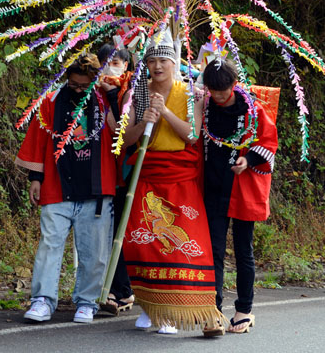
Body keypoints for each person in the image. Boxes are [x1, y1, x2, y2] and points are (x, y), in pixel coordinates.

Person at [119, 31, 226, 335]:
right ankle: (150, 306)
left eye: (164, 59)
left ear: (174, 62)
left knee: (181, 244)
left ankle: (176, 310)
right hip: (148, 172)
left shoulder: (191, 92)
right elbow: (125, 140)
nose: (158, 66)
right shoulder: (136, 92)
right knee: (144, 243)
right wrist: (145, 121)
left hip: (180, 176)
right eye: (152, 60)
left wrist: (164, 112)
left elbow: (192, 134)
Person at [14, 53, 117, 323]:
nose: (80, 90)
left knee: (94, 249)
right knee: (50, 244)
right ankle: (42, 300)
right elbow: (38, 137)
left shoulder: (106, 99)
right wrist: (35, 178)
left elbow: (122, 132)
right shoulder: (51, 101)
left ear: (95, 81)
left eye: (85, 86)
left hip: (96, 187)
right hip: (57, 183)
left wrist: (114, 96)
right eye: (74, 85)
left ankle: (87, 301)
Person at [201, 59, 278, 335]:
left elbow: (269, 143)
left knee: (244, 250)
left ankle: (244, 309)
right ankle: (212, 310)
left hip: (243, 186)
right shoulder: (205, 105)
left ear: (234, 85)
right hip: (213, 185)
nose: (219, 97)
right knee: (214, 251)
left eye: (223, 91)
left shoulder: (253, 110)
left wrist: (247, 159)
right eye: (213, 91)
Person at [94, 44, 136, 315]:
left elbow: (123, 127)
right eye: (105, 62)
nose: (111, 67)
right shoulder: (91, 88)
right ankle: (120, 289)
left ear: (127, 65)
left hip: (124, 169)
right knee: (108, 232)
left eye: (117, 62)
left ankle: (122, 289)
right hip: (99, 168)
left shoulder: (130, 90)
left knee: (121, 231)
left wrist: (112, 96)